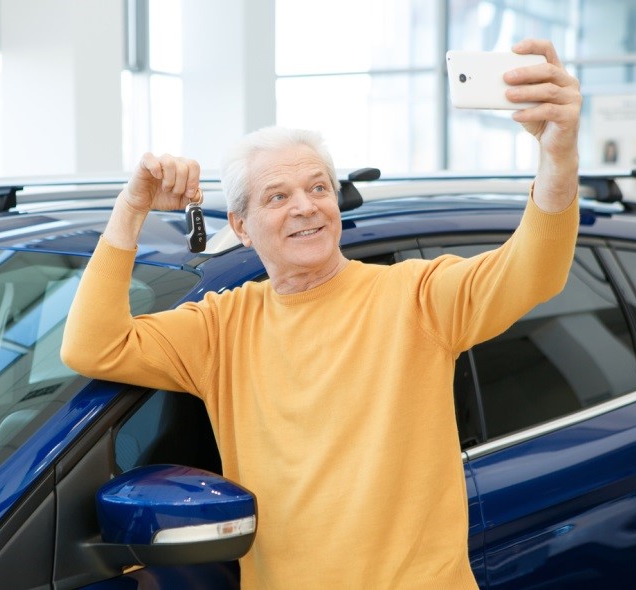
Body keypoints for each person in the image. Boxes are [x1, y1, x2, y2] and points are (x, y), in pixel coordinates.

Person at [62, 38, 581, 589]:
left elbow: (534, 271)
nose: (306, 206)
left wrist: (559, 154)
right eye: (277, 197)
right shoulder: (219, 328)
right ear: (240, 226)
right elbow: (92, 346)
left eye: (317, 188)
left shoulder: (416, 296)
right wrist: (131, 207)